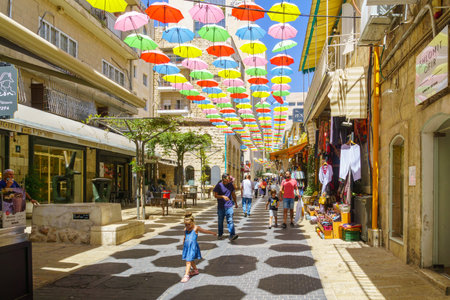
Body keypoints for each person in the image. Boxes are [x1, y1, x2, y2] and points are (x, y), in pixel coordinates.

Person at [181, 212, 216, 283]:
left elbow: (205, 231)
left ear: (192, 222)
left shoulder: (196, 228)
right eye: (185, 224)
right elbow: (185, 237)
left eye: (188, 224)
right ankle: (195, 270)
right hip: (187, 247)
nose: (187, 226)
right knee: (191, 260)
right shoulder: (185, 229)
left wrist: (212, 233)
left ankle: (186, 275)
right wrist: (184, 244)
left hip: (193, 247)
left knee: (188, 261)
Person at [213, 173, 239, 241]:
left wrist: (236, 203)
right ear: (224, 179)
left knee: (230, 220)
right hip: (221, 206)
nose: (229, 180)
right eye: (228, 178)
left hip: (229, 205)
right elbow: (215, 195)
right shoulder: (219, 186)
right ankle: (220, 234)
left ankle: (232, 234)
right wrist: (222, 196)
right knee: (220, 221)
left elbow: (233, 194)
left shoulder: (230, 185)